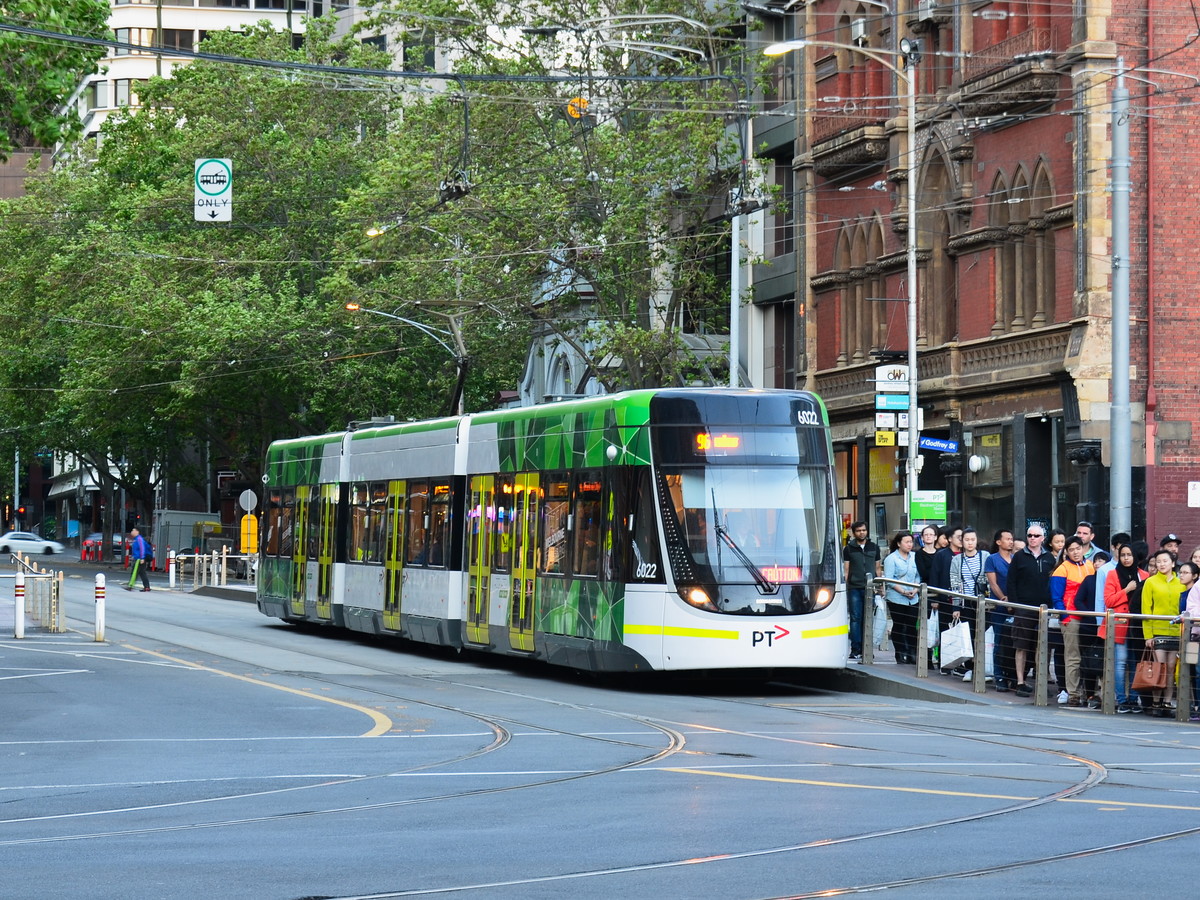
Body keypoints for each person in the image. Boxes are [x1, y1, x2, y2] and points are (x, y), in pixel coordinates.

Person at [1006, 524, 1056, 697]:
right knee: (1021, 645)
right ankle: (1020, 681)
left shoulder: (1050, 558)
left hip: (1044, 608)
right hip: (1024, 607)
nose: (1032, 538)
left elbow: (1053, 583)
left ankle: (1041, 681)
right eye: (1029, 535)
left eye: (1036, 535)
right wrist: (1015, 605)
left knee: (1042, 646)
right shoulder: (1019, 557)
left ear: (1043, 538)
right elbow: (1011, 582)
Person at [1050, 537, 1095, 707]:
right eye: (1072, 549)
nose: (1076, 552)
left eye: (1078, 548)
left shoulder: (1090, 566)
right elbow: (1056, 598)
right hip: (1072, 618)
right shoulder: (1062, 570)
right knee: (1073, 657)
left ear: (1083, 548)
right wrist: (1065, 617)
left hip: (1088, 618)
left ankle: (1088, 693)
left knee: (1088, 656)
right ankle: (1074, 693)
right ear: (1066, 552)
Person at [1102, 543, 1147, 713]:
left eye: (1129, 555)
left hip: (1137, 625)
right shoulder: (1113, 574)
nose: (1126, 558)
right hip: (1120, 623)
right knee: (1120, 663)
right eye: (1123, 555)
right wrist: (1126, 590)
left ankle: (1134, 699)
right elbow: (1109, 601)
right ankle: (1122, 700)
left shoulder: (1144, 575)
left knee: (1136, 663)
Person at [1141, 548, 1182, 715]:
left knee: (1172, 668)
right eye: (1158, 562)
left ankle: (1167, 702)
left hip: (1176, 632)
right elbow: (1146, 610)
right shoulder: (1150, 582)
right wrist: (1148, 636)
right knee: (1160, 667)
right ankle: (1156, 702)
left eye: (1165, 561)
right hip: (1157, 631)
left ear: (1172, 563)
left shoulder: (1181, 583)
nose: (1162, 564)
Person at [948, 527, 990, 677]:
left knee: (983, 634)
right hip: (966, 603)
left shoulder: (985, 556)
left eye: (973, 539)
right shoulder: (957, 560)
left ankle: (982, 665)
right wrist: (956, 606)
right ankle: (970, 667)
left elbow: (989, 579)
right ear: (962, 541)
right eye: (967, 540)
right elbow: (954, 583)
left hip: (983, 603)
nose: (970, 543)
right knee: (968, 635)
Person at [1073, 549, 1108, 707]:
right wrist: (1090, 615)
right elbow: (1078, 600)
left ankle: (1105, 694)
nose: (1098, 563)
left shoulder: (1110, 580)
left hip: (1106, 627)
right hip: (1088, 627)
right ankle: (1089, 694)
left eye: (1102, 561)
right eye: (1096, 561)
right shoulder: (1088, 580)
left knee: (1104, 662)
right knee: (1088, 662)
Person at [842, 522, 881, 661]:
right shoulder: (848, 549)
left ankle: (867, 648)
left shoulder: (874, 547)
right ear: (853, 532)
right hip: (854, 587)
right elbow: (846, 570)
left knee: (868, 618)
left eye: (864, 530)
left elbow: (877, 568)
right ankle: (855, 649)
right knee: (855, 618)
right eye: (858, 531)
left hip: (870, 587)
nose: (862, 533)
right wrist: (844, 588)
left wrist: (880, 586)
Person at [986, 529, 1016, 692]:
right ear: (998, 542)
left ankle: (1012, 674)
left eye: (1012, 539)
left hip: (1016, 606)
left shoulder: (1015, 558)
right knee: (999, 640)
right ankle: (999, 676)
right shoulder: (992, 559)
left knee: (1012, 641)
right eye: (1007, 539)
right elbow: (993, 583)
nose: (1011, 542)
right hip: (999, 606)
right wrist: (1004, 599)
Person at [883, 531, 920, 664]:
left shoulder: (915, 557)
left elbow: (918, 576)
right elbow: (889, 579)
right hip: (896, 597)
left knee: (912, 625)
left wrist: (915, 590)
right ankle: (900, 652)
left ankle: (912, 652)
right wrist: (903, 591)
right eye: (906, 542)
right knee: (899, 624)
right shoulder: (891, 559)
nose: (909, 545)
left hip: (913, 597)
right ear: (899, 543)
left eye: (911, 542)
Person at [126, 527, 152, 592]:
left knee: (135, 572)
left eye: (133, 530)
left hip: (139, 559)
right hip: (138, 558)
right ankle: (146, 587)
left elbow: (142, 549)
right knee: (141, 572)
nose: (132, 532)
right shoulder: (136, 539)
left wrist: (142, 558)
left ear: (137, 532)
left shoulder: (139, 539)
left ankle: (130, 586)